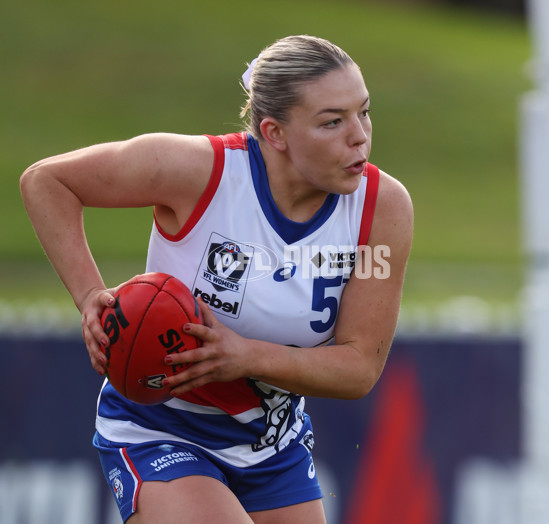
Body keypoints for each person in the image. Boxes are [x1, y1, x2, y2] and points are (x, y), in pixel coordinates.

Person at [19, 35, 413, 524]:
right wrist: (91, 298)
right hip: (161, 425)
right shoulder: (198, 171)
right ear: (274, 133)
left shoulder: (382, 210)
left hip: (272, 441)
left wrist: (244, 356)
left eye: (364, 112)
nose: (360, 136)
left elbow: (358, 369)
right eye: (332, 121)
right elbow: (47, 182)